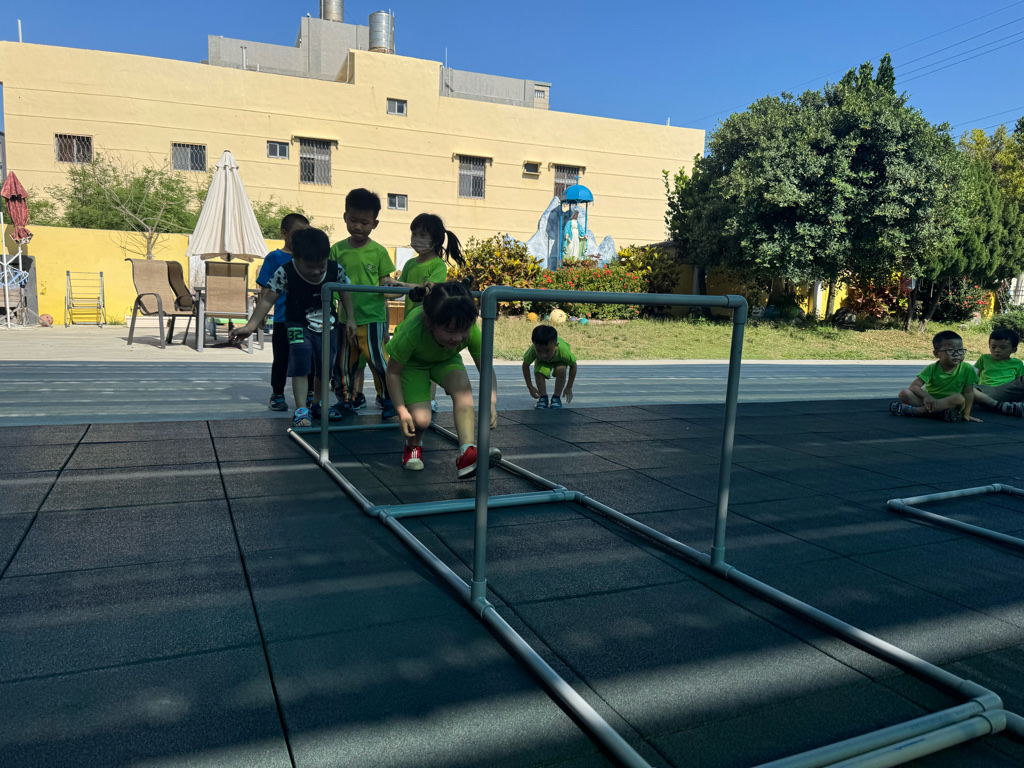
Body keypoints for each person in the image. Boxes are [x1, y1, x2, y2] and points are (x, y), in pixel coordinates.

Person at [230, 228, 356, 427]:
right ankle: (301, 409)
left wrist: (350, 318)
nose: (316, 272)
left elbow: (345, 292)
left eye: (321, 266)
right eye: (310, 266)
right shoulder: (286, 271)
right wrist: (250, 326)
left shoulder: (335, 269)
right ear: (295, 258)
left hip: (328, 326)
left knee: (325, 368)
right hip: (297, 325)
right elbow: (267, 300)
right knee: (301, 366)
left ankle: (318, 404)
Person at [384, 280, 500, 477]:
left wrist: (491, 401)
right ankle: (413, 446)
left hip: (446, 358)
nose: (458, 337)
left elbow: (486, 368)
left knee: (463, 390)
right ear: (429, 322)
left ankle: (467, 453)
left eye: (463, 329)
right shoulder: (412, 331)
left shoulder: (469, 330)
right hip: (413, 364)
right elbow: (393, 373)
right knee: (421, 420)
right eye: (449, 331)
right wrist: (402, 411)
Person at [384, 213, 467, 413]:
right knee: (408, 364)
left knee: (428, 361)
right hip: (410, 324)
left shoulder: (437, 265)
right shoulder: (410, 264)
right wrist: (384, 289)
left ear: (435, 240)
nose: (416, 239)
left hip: (429, 322)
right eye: (414, 234)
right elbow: (400, 292)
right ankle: (407, 400)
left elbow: (431, 288)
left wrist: (400, 284)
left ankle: (430, 399)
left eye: (422, 235)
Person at [330, 188, 397, 419]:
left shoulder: (378, 252)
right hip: (345, 318)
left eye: (365, 222)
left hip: (372, 317)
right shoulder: (337, 249)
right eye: (353, 220)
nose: (358, 226)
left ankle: (389, 399)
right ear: (345, 217)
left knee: (378, 360)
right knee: (343, 363)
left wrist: (389, 284)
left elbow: (385, 280)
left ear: (374, 224)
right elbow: (330, 279)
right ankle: (346, 400)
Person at [256, 213, 311, 412]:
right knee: (281, 358)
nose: (302, 238)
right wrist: (262, 315)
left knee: (309, 357)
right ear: (284, 233)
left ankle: (310, 393)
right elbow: (266, 287)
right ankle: (277, 394)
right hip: (282, 318)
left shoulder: (309, 256)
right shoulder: (275, 257)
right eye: (297, 233)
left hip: (308, 320)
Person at [890, 330, 981, 422]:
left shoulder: (967, 368)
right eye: (950, 350)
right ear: (936, 354)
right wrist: (926, 396)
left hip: (950, 403)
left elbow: (969, 393)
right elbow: (914, 386)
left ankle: (918, 411)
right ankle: (939, 413)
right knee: (904, 393)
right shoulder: (932, 368)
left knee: (959, 398)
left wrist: (966, 414)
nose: (956, 354)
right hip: (930, 402)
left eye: (960, 350)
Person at [522, 324, 578, 409]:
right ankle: (543, 397)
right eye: (539, 351)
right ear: (534, 345)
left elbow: (573, 366)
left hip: (559, 361)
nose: (543, 355)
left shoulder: (563, 351)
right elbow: (525, 365)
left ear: (556, 346)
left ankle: (556, 398)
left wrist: (569, 387)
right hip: (542, 362)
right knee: (539, 372)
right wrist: (530, 387)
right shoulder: (533, 350)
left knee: (561, 369)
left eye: (547, 351)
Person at [971, 327, 1024, 417]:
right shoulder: (984, 358)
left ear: (1014, 350)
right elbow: (977, 376)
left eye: (1003, 347)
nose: (997, 350)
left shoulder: (1017, 363)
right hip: (984, 390)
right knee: (963, 386)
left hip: (1005, 391)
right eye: (993, 347)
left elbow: (1017, 382)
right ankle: (1003, 406)